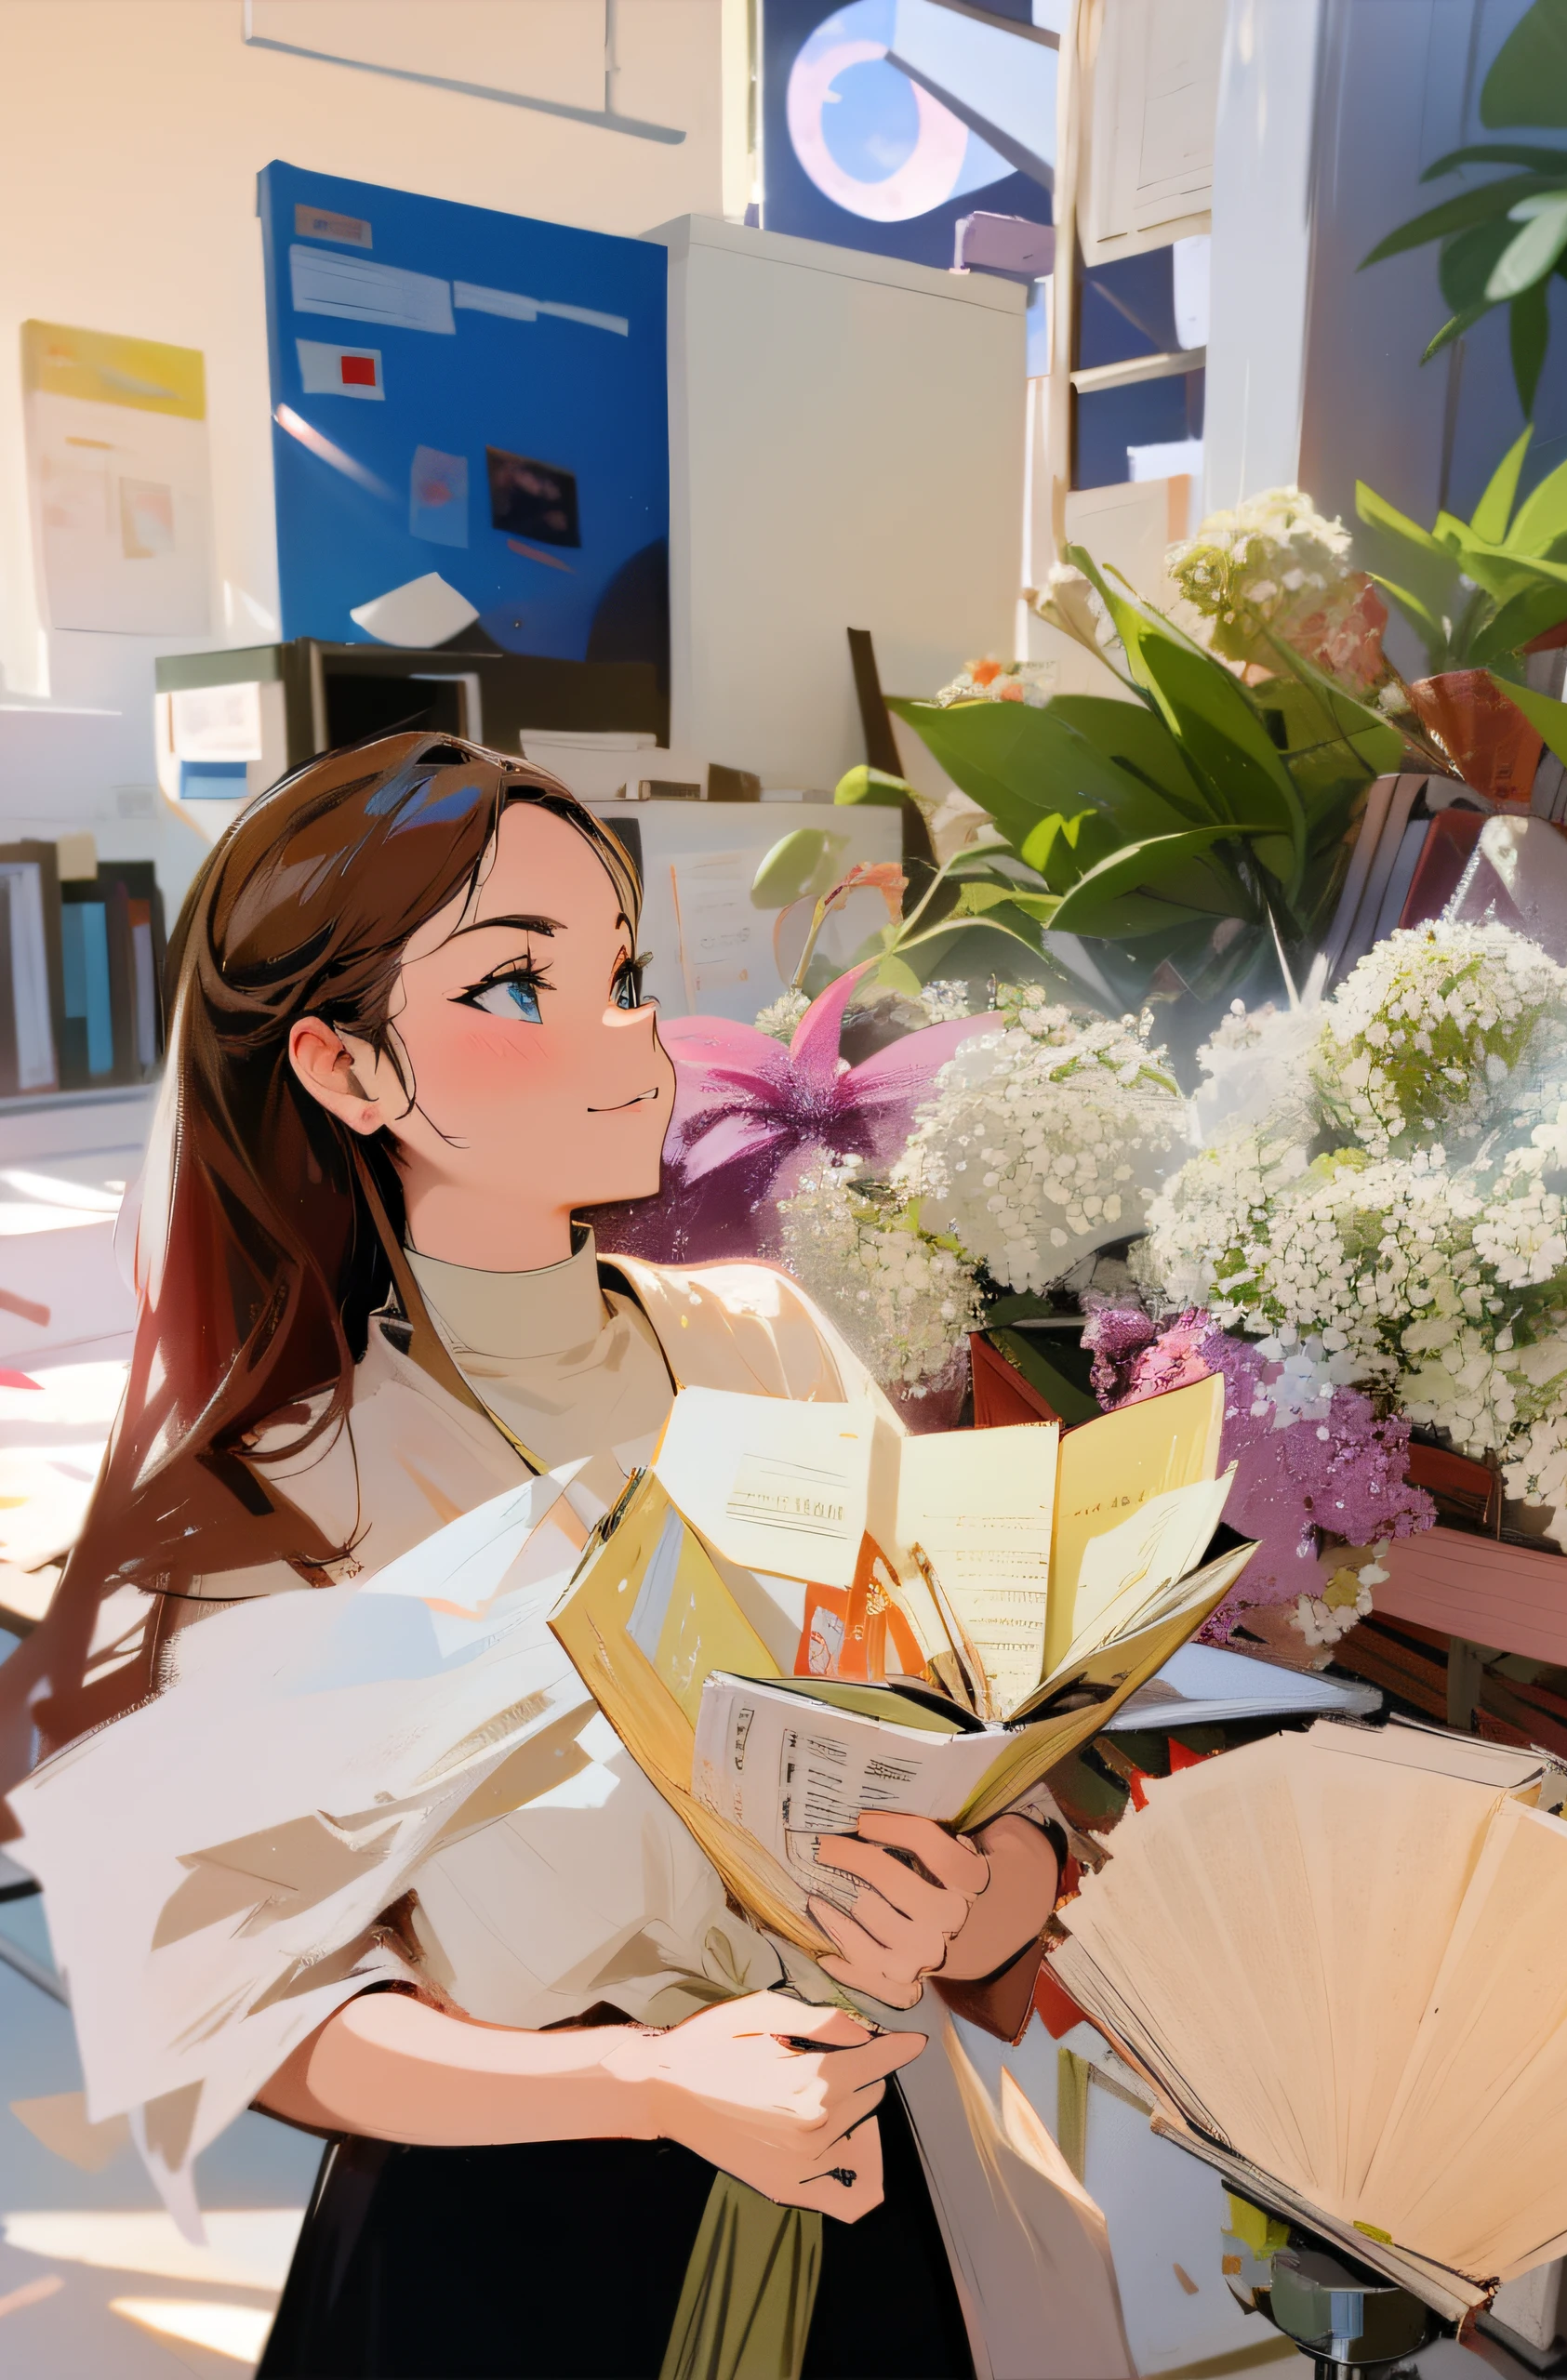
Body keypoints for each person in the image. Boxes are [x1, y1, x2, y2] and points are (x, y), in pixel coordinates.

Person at [1, 737, 1131, 2380]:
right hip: (511, 2251)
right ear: (347, 1071)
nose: (627, 1036)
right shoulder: (282, 1485)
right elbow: (251, 2002)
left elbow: (984, 1777)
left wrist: (963, 1904)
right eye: (519, 987)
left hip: (893, 2192)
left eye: (622, 970)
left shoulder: (768, 1337)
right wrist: (651, 2087)